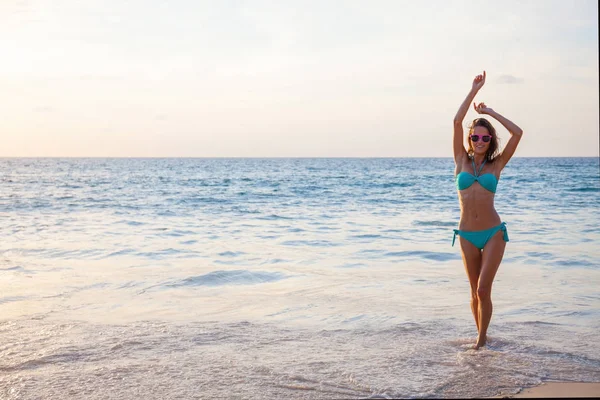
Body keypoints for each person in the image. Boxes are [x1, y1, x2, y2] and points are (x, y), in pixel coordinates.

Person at [452, 71, 523, 349]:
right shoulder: (460, 160)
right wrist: (473, 91)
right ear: (470, 138)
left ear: (491, 140)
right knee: (473, 292)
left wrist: (490, 112)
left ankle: (481, 343)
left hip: (493, 233)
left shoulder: (497, 165)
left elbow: (517, 133)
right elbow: (457, 121)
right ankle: (481, 335)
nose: (480, 141)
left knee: (483, 289)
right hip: (467, 234)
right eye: (475, 137)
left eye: (485, 138)